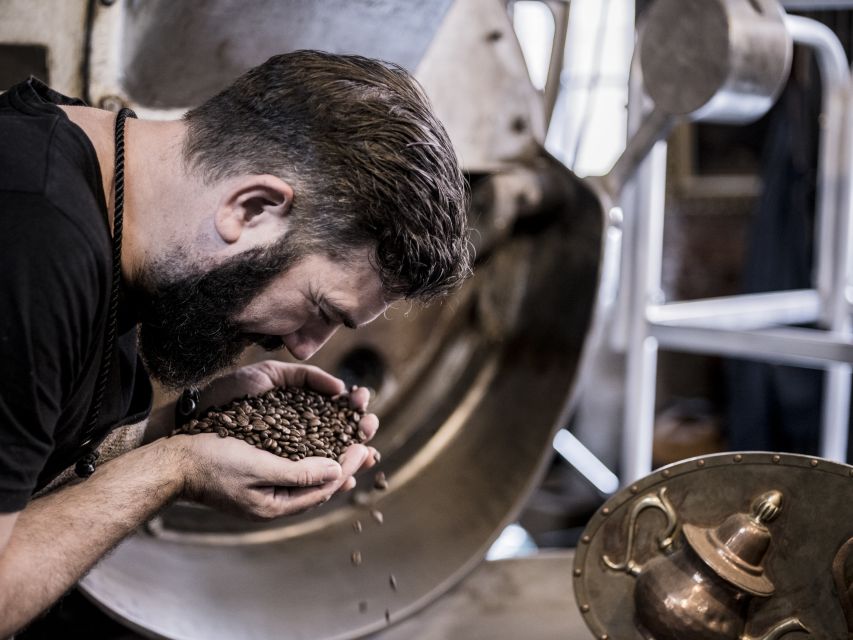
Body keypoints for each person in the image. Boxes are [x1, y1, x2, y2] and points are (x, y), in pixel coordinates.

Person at [0, 50, 470, 635]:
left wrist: (189, 425)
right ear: (252, 208)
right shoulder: (33, 241)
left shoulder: (111, 202)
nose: (305, 348)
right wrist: (176, 469)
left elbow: (33, 455)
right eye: (321, 309)